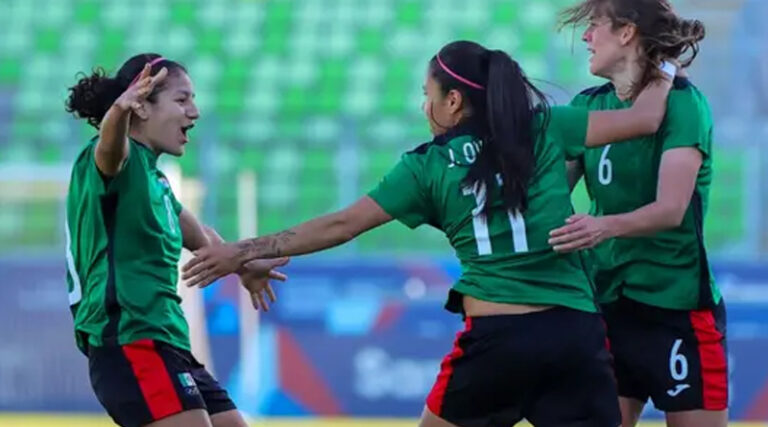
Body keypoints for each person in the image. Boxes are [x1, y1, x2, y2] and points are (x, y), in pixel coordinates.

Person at [181, 41, 675, 427]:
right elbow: (647, 118)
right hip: (574, 334)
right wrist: (667, 61)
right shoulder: (545, 126)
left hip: (496, 341)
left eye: (428, 95)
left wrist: (239, 252)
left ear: (454, 100)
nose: (425, 107)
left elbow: (339, 225)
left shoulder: (425, 165)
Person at [64, 53, 288, 427]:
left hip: (168, 343)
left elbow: (206, 240)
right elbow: (109, 148)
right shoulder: (112, 161)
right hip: (129, 340)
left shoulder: (157, 181)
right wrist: (118, 111)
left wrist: (244, 265)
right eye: (182, 100)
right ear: (142, 106)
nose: (195, 112)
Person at [550, 1, 727, 426]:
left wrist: (600, 228)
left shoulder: (685, 105)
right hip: (607, 305)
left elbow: (670, 209)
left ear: (627, 33)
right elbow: (551, 192)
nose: (587, 38)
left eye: (595, 26)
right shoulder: (587, 105)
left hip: (676, 307)